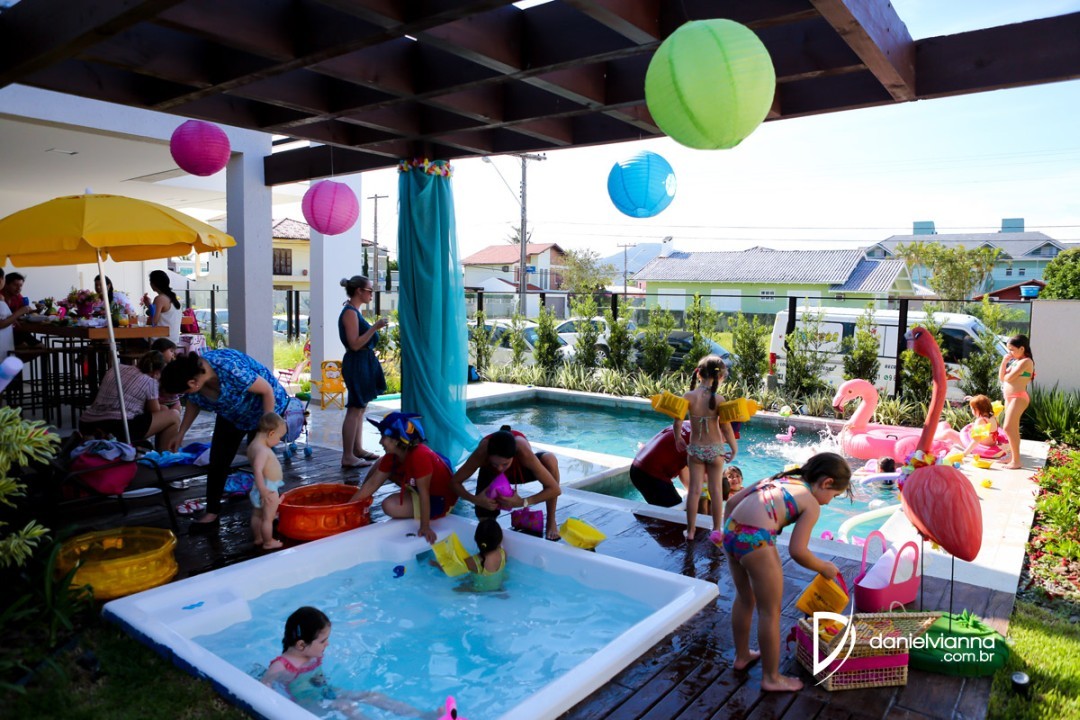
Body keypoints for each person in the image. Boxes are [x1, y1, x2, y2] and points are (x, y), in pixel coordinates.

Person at [719, 452, 852, 693]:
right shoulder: (811, 503)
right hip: (757, 540)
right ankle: (771, 677)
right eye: (834, 496)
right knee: (770, 611)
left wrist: (729, 535)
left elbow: (730, 503)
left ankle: (742, 656)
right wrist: (824, 567)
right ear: (827, 482)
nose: (829, 502)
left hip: (731, 531)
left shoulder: (777, 479)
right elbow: (797, 551)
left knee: (744, 598)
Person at [160, 348, 290, 532]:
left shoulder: (230, 369)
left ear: (192, 383)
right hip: (232, 413)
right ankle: (212, 512)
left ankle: (273, 511)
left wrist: (265, 432)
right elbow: (194, 401)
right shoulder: (194, 376)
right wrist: (181, 433)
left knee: (261, 460)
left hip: (263, 408)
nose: (184, 396)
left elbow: (267, 391)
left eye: (183, 392)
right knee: (218, 460)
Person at [262, 607, 434, 719]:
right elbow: (264, 687)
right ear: (301, 645)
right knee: (345, 705)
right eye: (323, 641)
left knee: (370, 695)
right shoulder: (282, 666)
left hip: (326, 692)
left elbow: (317, 679)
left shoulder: (312, 653)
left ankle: (423, 715)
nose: (327, 644)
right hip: (308, 704)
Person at [350, 412, 456, 544]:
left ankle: (363, 502)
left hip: (439, 500)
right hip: (418, 488)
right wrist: (348, 506)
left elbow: (424, 494)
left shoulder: (420, 456)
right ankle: (360, 504)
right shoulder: (393, 455)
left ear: (396, 440)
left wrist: (425, 527)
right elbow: (372, 484)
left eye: (383, 437)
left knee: (389, 505)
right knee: (381, 463)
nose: (380, 442)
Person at [450, 426, 562, 541]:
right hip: (490, 474)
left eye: (505, 464)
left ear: (514, 456)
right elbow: (455, 482)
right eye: (495, 464)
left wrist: (523, 502)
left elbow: (555, 489)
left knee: (550, 459)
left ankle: (551, 520)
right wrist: (476, 500)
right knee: (486, 522)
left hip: (517, 472)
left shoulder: (523, 452)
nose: (500, 468)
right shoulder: (482, 452)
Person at [675, 355, 737, 541]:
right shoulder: (719, 399)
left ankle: (690, 531)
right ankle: (716, 530)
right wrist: (734, 448)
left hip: (695, 450)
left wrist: (678, 438)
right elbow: (726, 428)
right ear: (720, 377)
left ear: (698, 374)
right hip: (715, 450)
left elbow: (678, 421)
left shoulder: (689, 396)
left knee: (694, 491)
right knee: (716, 491)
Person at [78, 350, 180, 450]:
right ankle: (164, 453)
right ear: (157, 372)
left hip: (87, 423)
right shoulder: (151, 381)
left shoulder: (116, 368)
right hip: (117, 427)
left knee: (164, 409)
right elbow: (155, 411)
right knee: (173, 415)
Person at [338, 275, 388, 470]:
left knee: (360, 408)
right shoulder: (350, 313)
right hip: (357, 362)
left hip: (363, 362)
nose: (371, 295)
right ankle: (347, 456)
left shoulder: (354, 312)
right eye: (369, 290)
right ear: (359, 291)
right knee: (354, 408)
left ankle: (357, 450)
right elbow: (355, 344)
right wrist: (375, 327)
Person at [248, 412, 286, 551]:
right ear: (271, 433)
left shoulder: (253, 445)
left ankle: (258, 538)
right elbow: (257, 469)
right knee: (268, 518)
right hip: (267, 488)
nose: (279, 441)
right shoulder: (263, 450)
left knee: (257, 514)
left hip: (257, 486)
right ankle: (268, 542)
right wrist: (264, 491)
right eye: (279, 437)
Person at [630, 421, 692, 507]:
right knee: (674, 512)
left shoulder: (686, 423)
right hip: (651, 474)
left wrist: (691, 493)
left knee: (673, 507)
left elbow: (684, 469)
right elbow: (703, 478)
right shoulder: (702, 439)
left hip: (636, 468)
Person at [999, 334, 1034, 470]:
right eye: (1008, 350)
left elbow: (1009, 378)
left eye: (1012, 350)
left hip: (1018, 397)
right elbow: (1002, 377)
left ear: (1022, 348)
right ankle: (1013, 457)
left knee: (1008, 427)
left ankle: (1016, 461)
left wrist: (1007, 374)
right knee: (1012, 429)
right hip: (1010, 398)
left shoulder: (1026, 362)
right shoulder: (1015, 361)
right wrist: (1004, 362)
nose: (1010, 353)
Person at [463, 518, 507, 592]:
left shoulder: (472, 561)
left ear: (476, 539)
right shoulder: (503, 553)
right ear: (500, 540)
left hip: (479, 591)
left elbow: (455, 568)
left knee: (456, 588)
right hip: (498, 587)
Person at [0, 269, 35, 363]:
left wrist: (36, 310)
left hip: (16, 330)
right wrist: (19, 313)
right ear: (5, 283)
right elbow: (2, 323)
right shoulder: (1, 297)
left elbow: (26, 310)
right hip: (7, 332)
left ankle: (14, 365)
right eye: (15, 285)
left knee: (41, 348)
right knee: (25, 347)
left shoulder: (18, 296)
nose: (19, 288)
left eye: (21, 286)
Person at [148, 269, 182, 343]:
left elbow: (153, 322)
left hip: (161, 341)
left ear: (153, 284)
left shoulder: (159, 299)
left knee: (130, 339)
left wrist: (149, 305)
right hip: (174, 340)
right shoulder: (173, 298)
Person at [151, 338, 181, 411]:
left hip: (174, 400)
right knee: (164, 409)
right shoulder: (155, 369)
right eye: (171, 351)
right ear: (160, 351)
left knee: (177, 408)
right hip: (159, 402)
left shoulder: (171, 367)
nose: (173, 354)